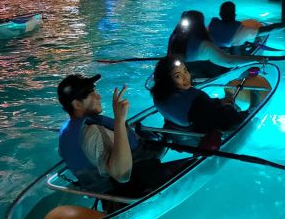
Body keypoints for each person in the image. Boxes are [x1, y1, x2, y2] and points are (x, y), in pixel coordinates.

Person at [56, 73, 188, 206]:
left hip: (114, 194)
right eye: (91, 93)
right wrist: (119, 119)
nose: (98, 96)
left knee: (163, 136)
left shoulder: (69, 133)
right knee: (201, 168)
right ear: (77, 104)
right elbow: (122, 175)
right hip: (136, 188)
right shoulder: (92, 133)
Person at [149, 56, 246, 132]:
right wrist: (238, 112)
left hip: (179, 128)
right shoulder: (197, 100)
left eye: (185, 71)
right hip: (199, 133)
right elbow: (229, 123)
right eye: (177, 76)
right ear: (167, 81)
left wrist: (218, 102)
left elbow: (199, 109)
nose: (186, 77)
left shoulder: (158, 95)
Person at [167, 10, 265, 77]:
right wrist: (255, 58)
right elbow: (229, 62)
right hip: (203, 74)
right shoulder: (204, 45)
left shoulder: (174, 37)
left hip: (180, 71)